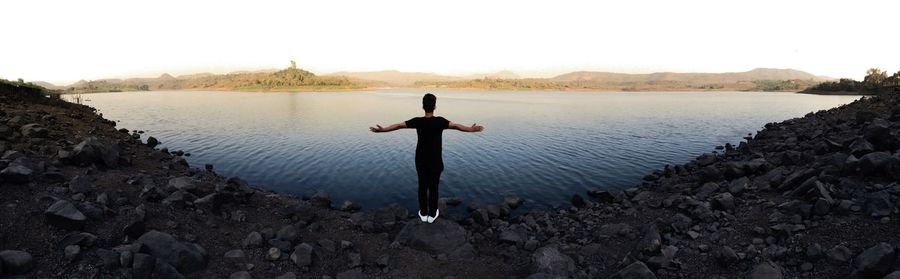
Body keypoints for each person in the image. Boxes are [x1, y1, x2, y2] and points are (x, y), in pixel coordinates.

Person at [369, 93, 484, 223]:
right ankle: (432, 214)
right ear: (435, 106)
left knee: (422, 186)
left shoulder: (418, 121)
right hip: (435, 161)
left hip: (421, 160)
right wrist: (470, 129)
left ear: (423, 106)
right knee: (434, 187)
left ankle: (423, 213)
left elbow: (398, 126)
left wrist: (383, 130)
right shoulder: (440, 121)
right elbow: (457, 126)